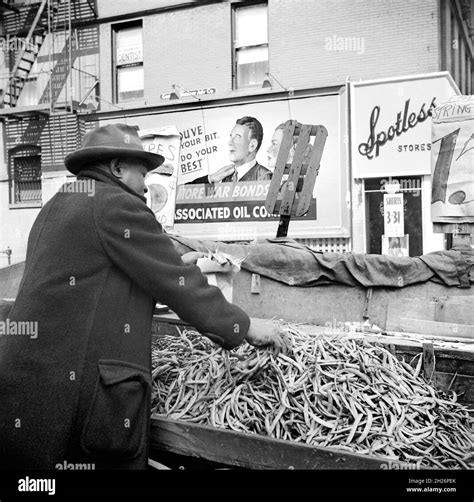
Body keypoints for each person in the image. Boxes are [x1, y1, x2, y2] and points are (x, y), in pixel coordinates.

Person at [0, 123, 286, 470]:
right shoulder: (116, 203)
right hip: (77, 399)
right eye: (142, 173)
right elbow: (176, 283)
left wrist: (170, 265)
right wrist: (245, 326)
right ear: (117, 169)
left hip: (26, 393)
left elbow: (98, 276)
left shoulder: (58, 204)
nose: (147, 185)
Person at [192, 116, 271, 183]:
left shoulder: (265, 177)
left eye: (237, 137)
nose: (230, 142)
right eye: (231, 136)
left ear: (252, 145)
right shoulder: (226, 177)